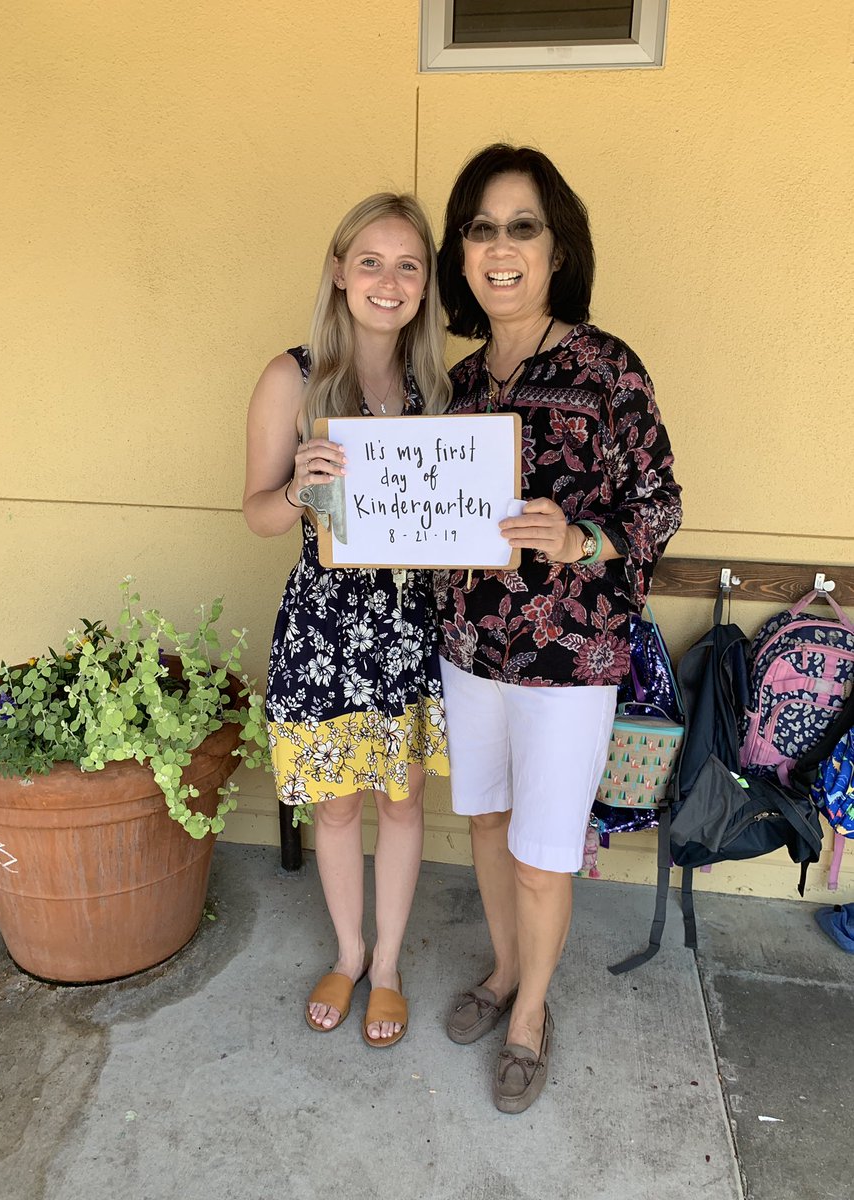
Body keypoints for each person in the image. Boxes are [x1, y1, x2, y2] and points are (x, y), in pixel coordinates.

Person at [434, 144, 682, 1111]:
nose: (500, 248)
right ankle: (503, 972)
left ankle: (531, 1013)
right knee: (488, 823)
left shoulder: (607, 367)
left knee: (542, 854)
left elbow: (660, 504)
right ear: (462, 252)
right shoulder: (457, 384)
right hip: (470, 649)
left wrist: (582, 538)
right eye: (481, 228)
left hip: (569, 661)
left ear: (557, 248)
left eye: (522, 227)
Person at [243, 193, 451, 1047]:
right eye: (370, 261)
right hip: (327, 629)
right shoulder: (291, 378)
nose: (387, 281)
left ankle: (389, 965)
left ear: (425, 283)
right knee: (335, 807)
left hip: (410, 625)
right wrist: (299, 487)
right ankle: (349, 952)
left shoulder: (440, 389)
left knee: (401, 802)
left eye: (408, 265)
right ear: (338, 271)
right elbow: (256, 512)